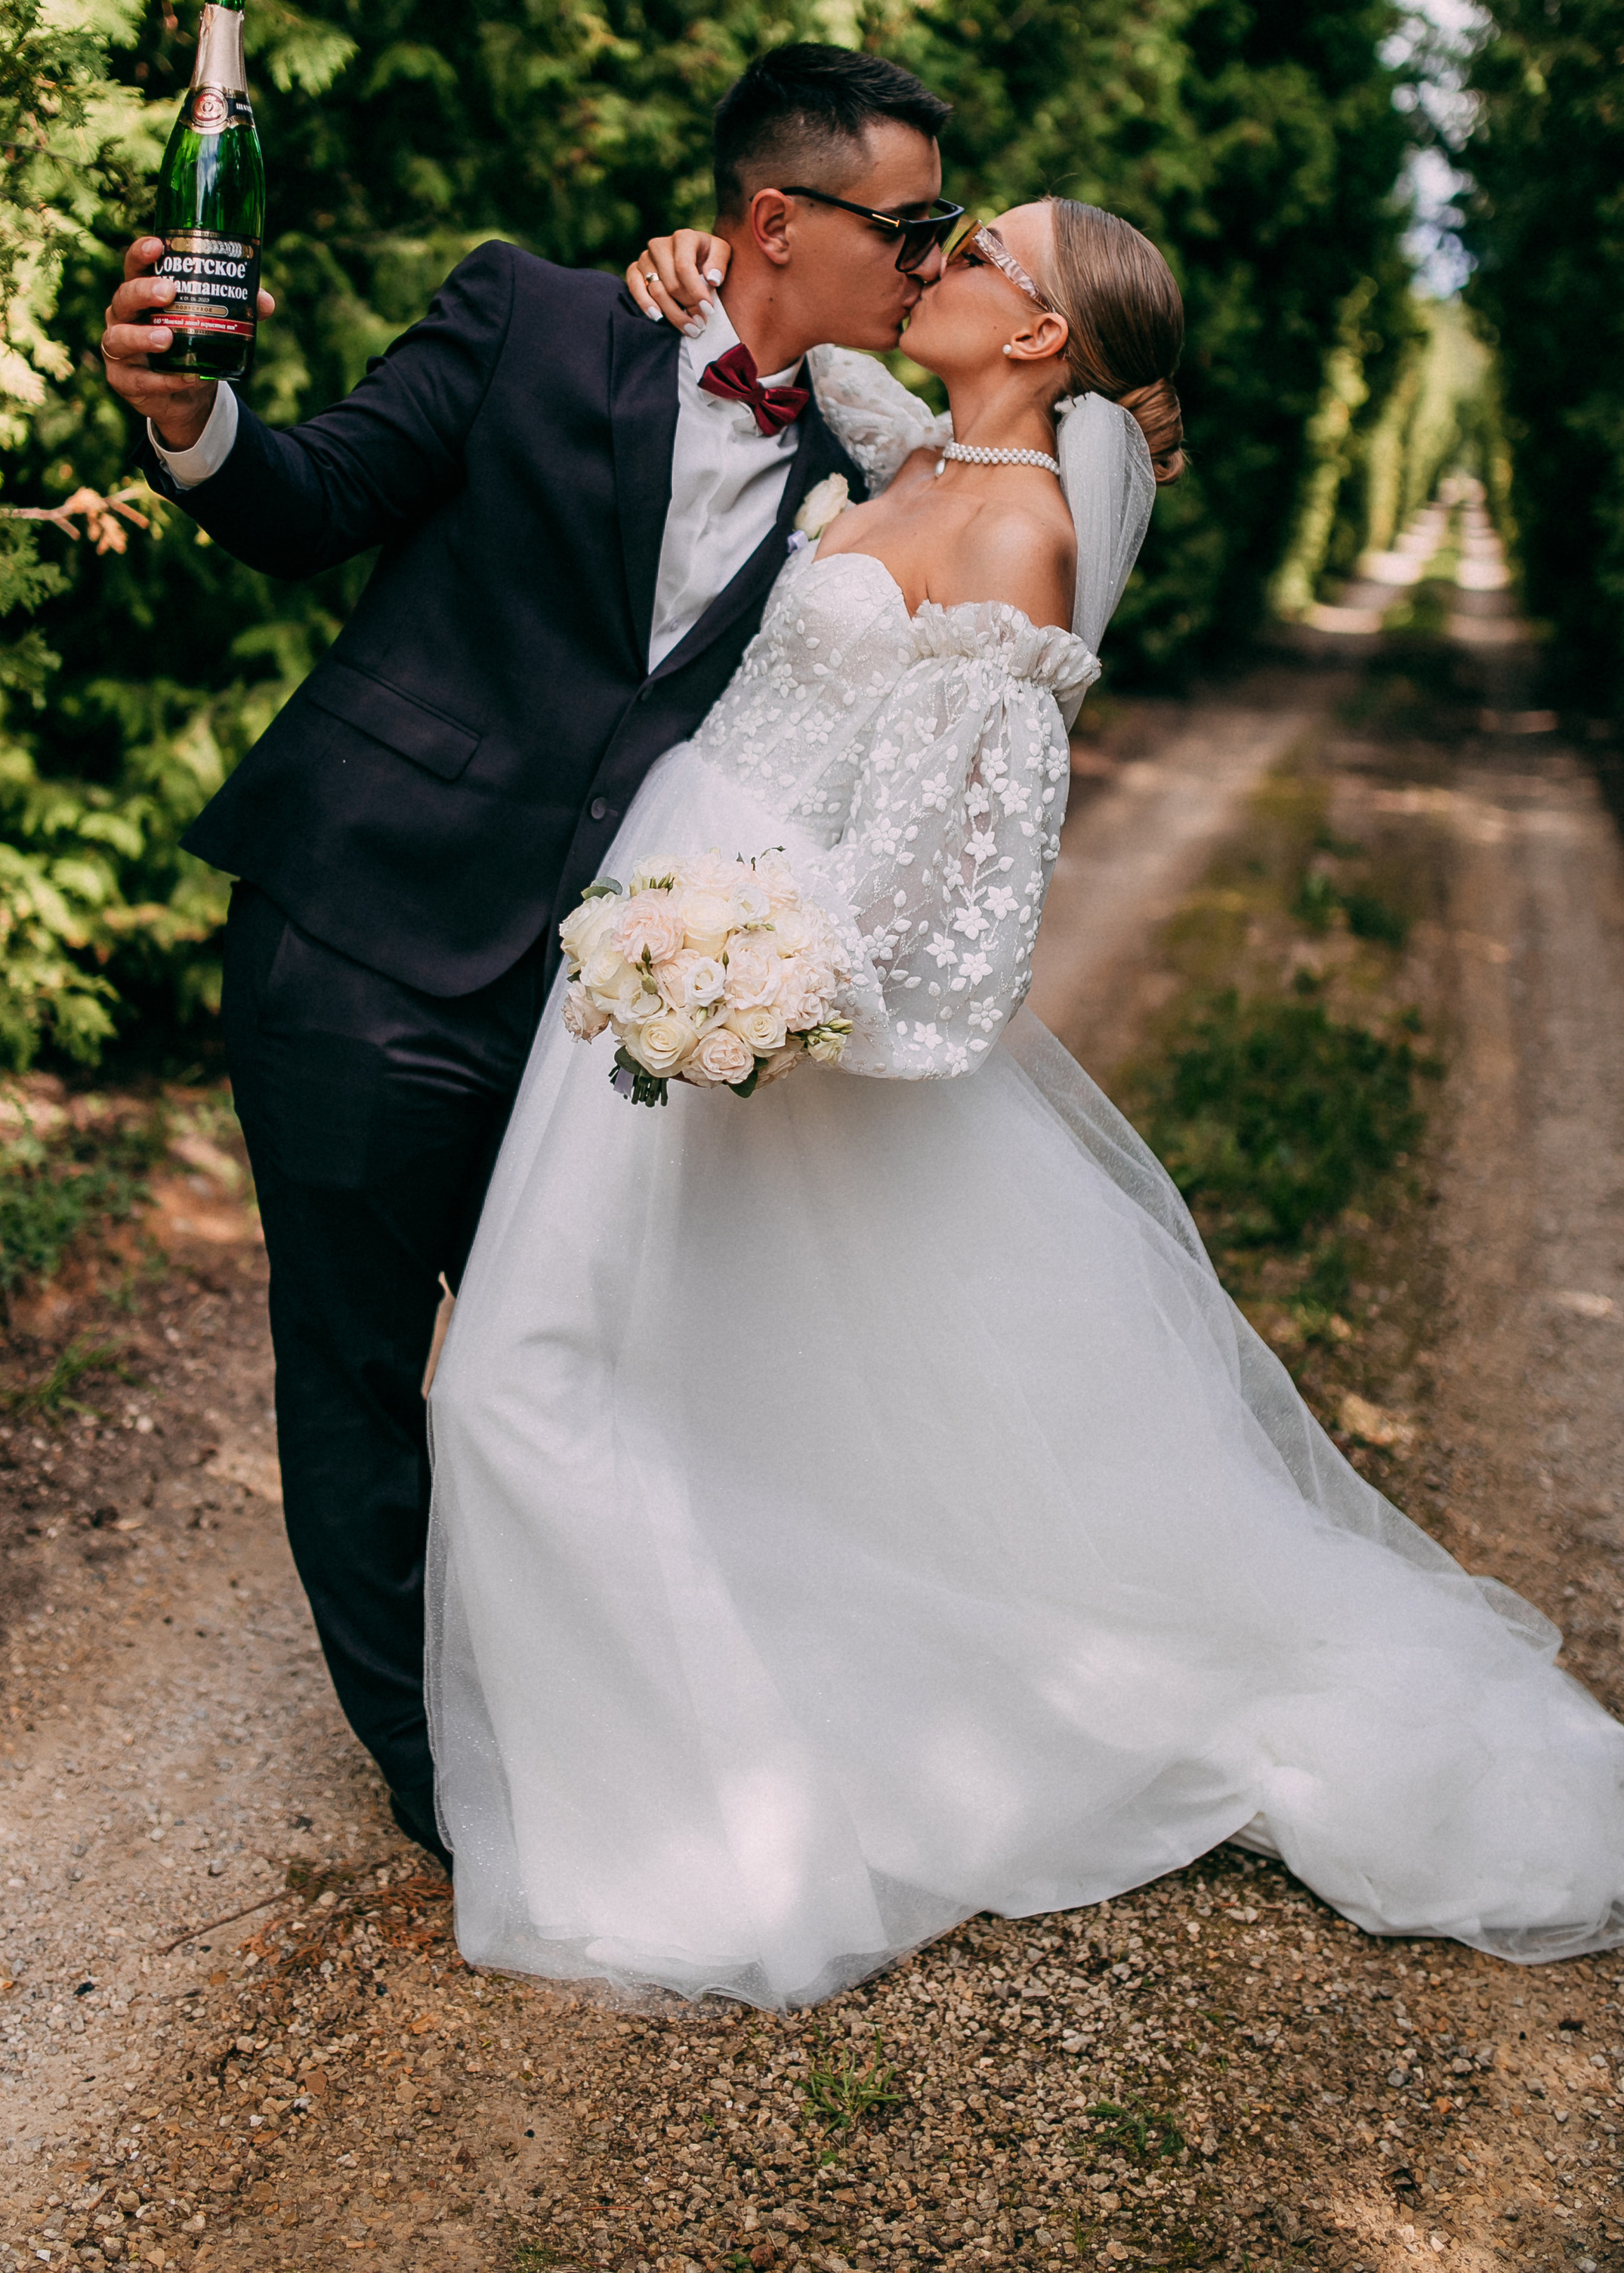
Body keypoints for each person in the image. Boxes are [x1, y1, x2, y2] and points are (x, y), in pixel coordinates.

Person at [425, 193, 1624, 2006]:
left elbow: (951, 884)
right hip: (662, 922)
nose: (943, 255)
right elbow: (763, 320)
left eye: (978, 244)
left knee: (533, 1366)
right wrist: (686, 257)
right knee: (629, 1371)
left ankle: (685, 1834)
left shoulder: (1021, 532)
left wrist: (746, 983)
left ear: (1042, 334)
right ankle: (667, 1732)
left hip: (721, 973)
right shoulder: (908, 442)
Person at [95, 42, 971, 1865]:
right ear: (771, 219)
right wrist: (185, 421)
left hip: (608, 1006)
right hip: (360, 929)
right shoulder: (531, 314)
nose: (927, 260)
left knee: (562, 1366)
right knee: (348, 1368)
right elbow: (310, 499)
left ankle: (586, 1715)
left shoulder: (880, 458)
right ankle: (451, 1796)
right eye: (907, 224)